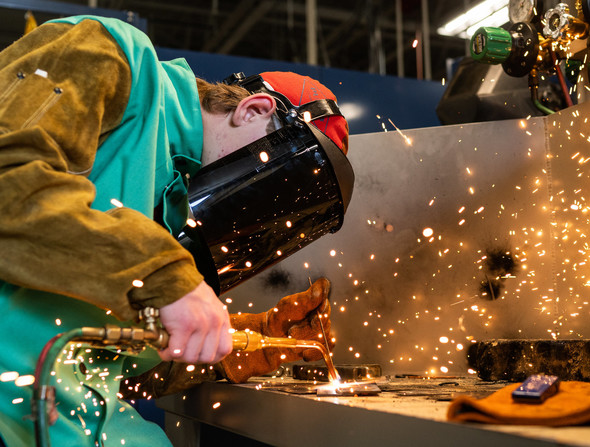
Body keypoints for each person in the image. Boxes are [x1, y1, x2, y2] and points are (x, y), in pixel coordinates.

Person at [0, 14, 350, 447]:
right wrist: (165, 278)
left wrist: (244, 344)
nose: (260, 204)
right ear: (253, 110)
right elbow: (9, 181)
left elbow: (113, 364)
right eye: (279, 181)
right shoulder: (110, 54)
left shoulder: (176, 205)